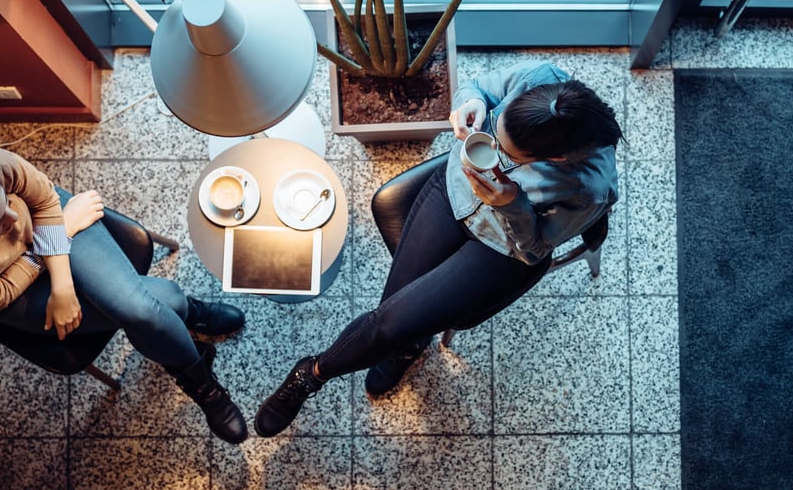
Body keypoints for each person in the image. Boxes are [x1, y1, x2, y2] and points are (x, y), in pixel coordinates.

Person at [253, 60, 621, 436]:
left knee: (393, 323)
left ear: (554, 159)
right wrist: (471, 102)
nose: (493, 146)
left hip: (501, 247)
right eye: (495, 128)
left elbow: (535, 250)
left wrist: (510, 203)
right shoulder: (541, 80)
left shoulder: (587, 188)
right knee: (393, 318)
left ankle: (311, 373)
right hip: (454, 192)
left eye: (509, 156)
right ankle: (407, 349)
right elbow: (479, 86)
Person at [0, 137, 249, 443]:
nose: (14, 221)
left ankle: (198, 366)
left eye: (7, 204)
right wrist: (53, 244)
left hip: (56, 224)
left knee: (139, 310)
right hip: (17, 288)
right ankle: (193, 334)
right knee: (158, 303)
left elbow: (44, 201)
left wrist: (62, 278)